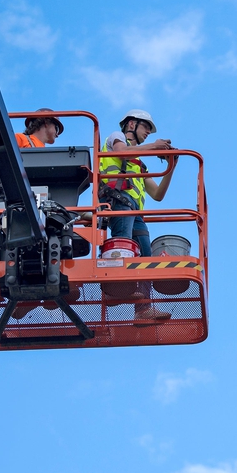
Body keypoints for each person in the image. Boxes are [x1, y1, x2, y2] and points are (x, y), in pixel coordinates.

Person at [100, 109, 178, 322]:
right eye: (146, 127)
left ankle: (143, 310)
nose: (148, 133)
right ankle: (114, 289)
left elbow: (158, 195)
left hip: (136, 213)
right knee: (122, 244)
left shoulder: (140, 164)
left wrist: (171, 166)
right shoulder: (116, 137)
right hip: (118, 203)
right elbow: (120, 152)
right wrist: (155, 146)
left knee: (145, 256)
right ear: (132, 124)